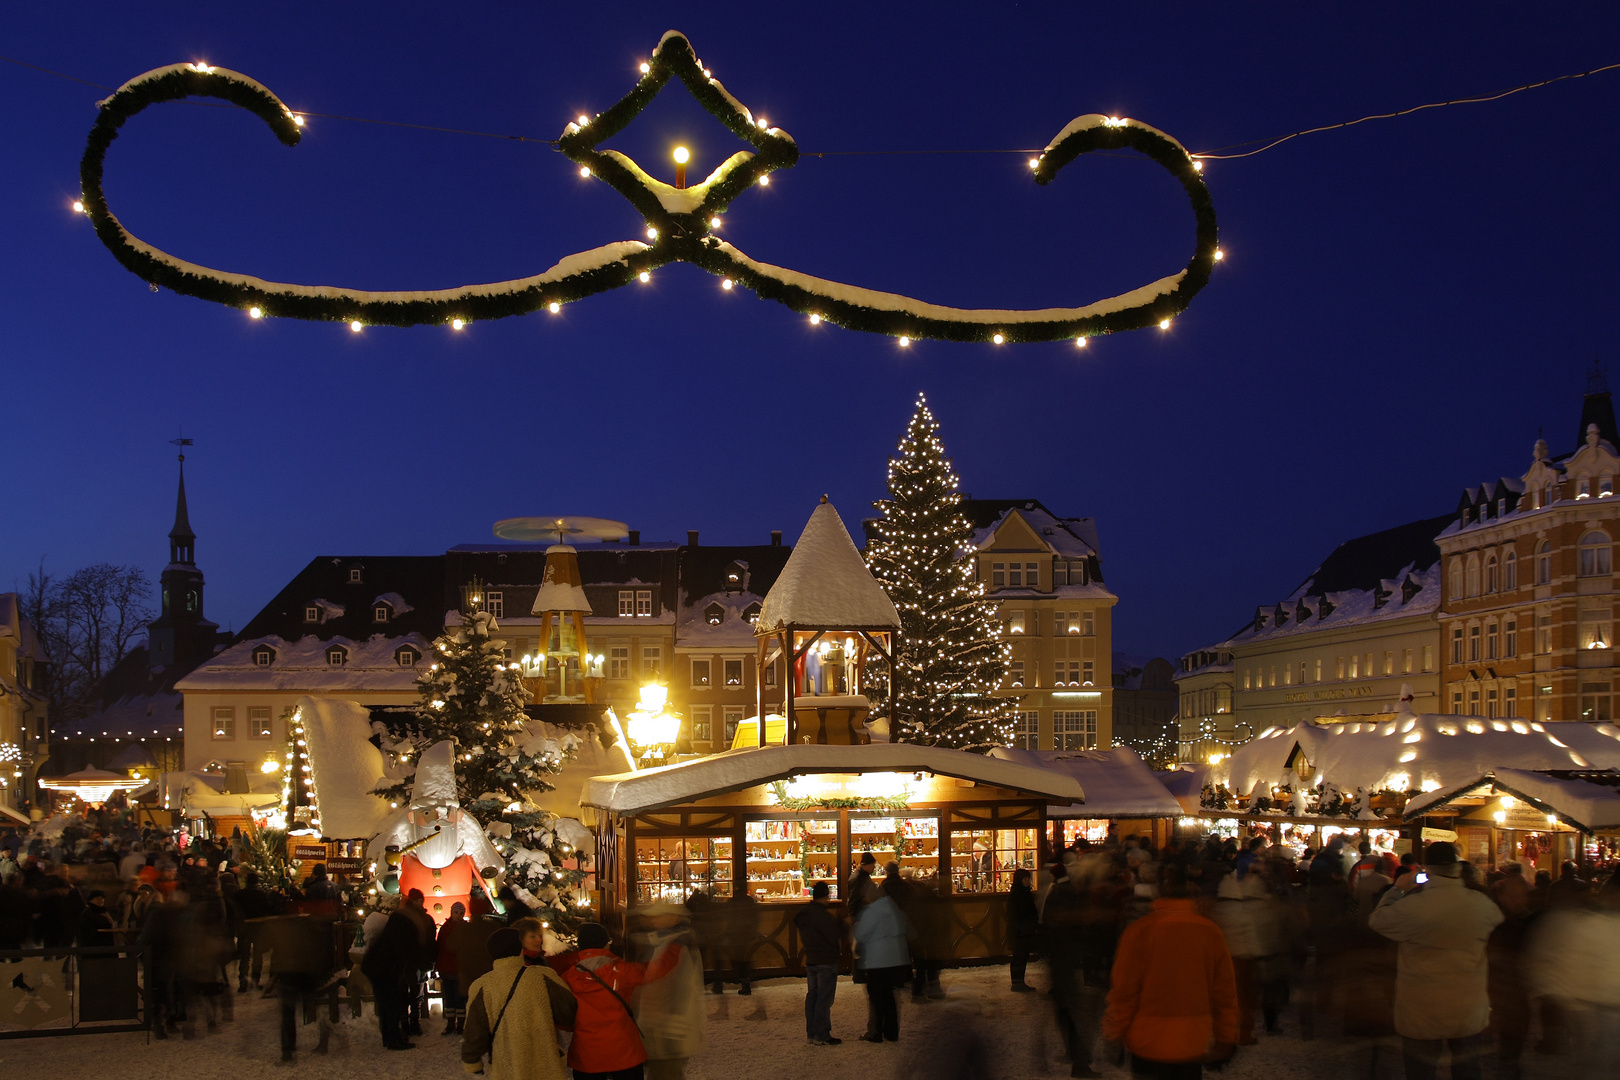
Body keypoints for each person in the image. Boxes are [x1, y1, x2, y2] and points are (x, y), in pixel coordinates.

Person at [1368, 841, 1505, 1080]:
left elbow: (1378, 921)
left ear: (1426, 870)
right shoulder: (1480, 904)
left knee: (1421, 1072)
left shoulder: (1412, 906)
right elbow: (1497, 920)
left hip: (1421, 1008)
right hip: (1467, 1006)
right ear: (1457, 868)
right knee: (1468, 1071)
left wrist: (1398, 889)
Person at [1102, 864, 1239, 1079]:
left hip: (1146, 1039)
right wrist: (1226, 1036)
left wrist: (1114, 1030)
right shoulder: (1209, 932)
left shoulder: (1139, 931)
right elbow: (1225, 993)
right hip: (1192, 1040)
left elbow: (1124, 990)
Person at [553, 921, 685, 1080]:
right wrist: (674, 948)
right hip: (623, 1050)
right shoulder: (621, 971)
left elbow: (562, 1016)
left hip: (586, 1053)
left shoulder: (567, 977)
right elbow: (655, 970)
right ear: (605, 944)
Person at [461, 921, 576, 1080]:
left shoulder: (481, 986)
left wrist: (471, 1060)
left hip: (506, 1068)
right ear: (519, 949)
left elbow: (475, 1030)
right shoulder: (543, 976)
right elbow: (568, 1012)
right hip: (545, 1066)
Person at [629, 902, 707, 1080]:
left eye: (659, 916)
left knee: (665, 1075)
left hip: (669, 1030)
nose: (653, 920)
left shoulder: (675, 946)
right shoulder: (668, 941)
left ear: (674, 918)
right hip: (666, 1028)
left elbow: (663, 983)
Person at [851, 877, 910, 1043]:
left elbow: (862, 933)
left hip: (877, 959)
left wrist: (856, 928)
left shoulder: (872, 911)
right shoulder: (892, 907)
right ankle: (891, 1032)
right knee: (889, 996)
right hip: (894, 957)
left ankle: (875, 1032)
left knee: (876, 995)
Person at [361, 899, 424, 1050]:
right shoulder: (405, 928)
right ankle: (393, 1038)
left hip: (378, 967)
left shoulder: (397, 923)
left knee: (387, 1004)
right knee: (391, 1004)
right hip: (384, 970)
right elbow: (403, 954)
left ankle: (389, 1037)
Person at [794, 880, 842, 1044]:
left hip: (811, 959)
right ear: (826, 896)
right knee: (824, 998)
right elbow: (833, 935)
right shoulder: (823, 916)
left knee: (812, 996)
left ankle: (811, 1033)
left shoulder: (805, 913)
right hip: (826, 959)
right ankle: (821, 1034)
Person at [437, 901, 469, 1035]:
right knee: (450, 998)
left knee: (460, 997)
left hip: (458, 969)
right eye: (456, 913)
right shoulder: (445, 928)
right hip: (447, 968)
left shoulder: (464, 928)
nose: (458, 915)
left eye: (461, 913)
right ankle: (450, 1023)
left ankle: (460, 1025)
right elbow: (439, 947)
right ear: (451, 912)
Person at [1007, 867, 1039, 992]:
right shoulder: (1020, 894)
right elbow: (1017, 913)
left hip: (1022, 929)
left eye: (1028, 878)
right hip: (1021, 930)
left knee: (1021, 955)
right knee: (1019, 956)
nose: (1027, 880)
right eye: (1025, 878)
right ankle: (1017, 982)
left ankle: (1019, 981)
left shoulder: (1021, 892)